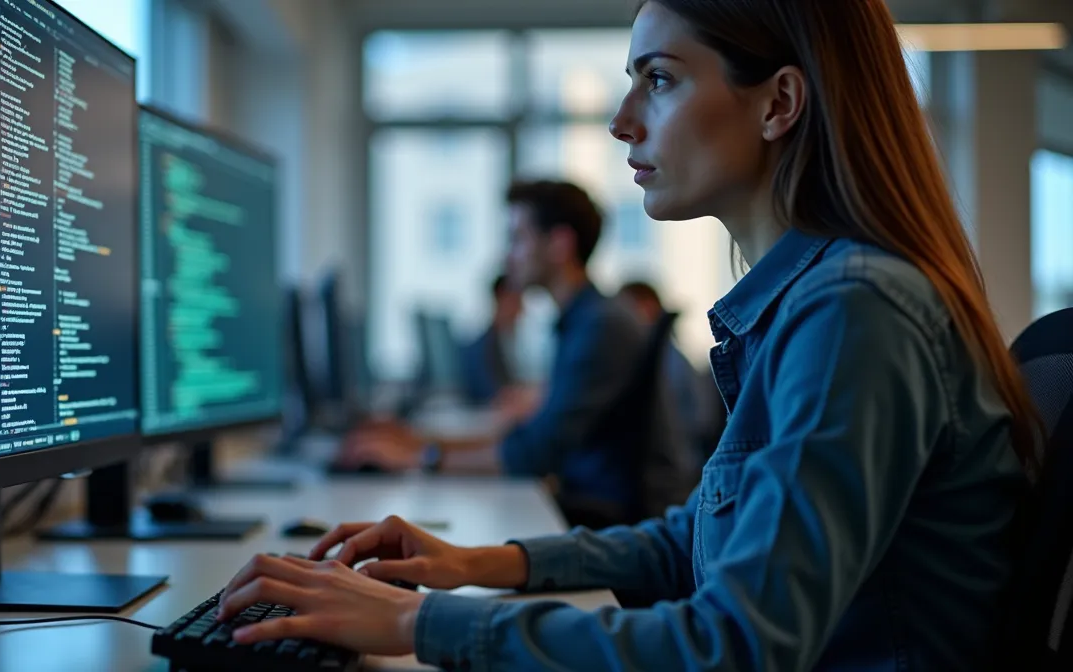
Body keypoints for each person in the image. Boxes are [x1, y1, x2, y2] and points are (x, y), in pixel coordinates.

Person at [216, 0, 1043, 669]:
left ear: (779, 104)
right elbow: (700, 537)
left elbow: (738, 644)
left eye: (659, 80)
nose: (620, 121)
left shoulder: (855, 309)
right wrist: (476, 565)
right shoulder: (817, 299)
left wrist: (418, 624)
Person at [340, 179, 686, 520]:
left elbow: (535, 453)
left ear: (559, 244)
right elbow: (532, 436)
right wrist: (419, 442)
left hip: (616, 518)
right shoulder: (586, 318)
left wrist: (422, 458)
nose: (508, 256)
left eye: (518, 238)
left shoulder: (600, 325)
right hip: (594, 499)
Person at [619, 280, 720, 467]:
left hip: (677, 472)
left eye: (627, 311)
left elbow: (702, 420)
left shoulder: (668, 361)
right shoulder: (665, 358)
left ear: (647, 308)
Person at [459, 274, 522, 407]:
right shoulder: (481, 349)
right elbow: (492, 397)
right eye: (517, 301)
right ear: (502, 298)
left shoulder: (504, 342)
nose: (521, 310)